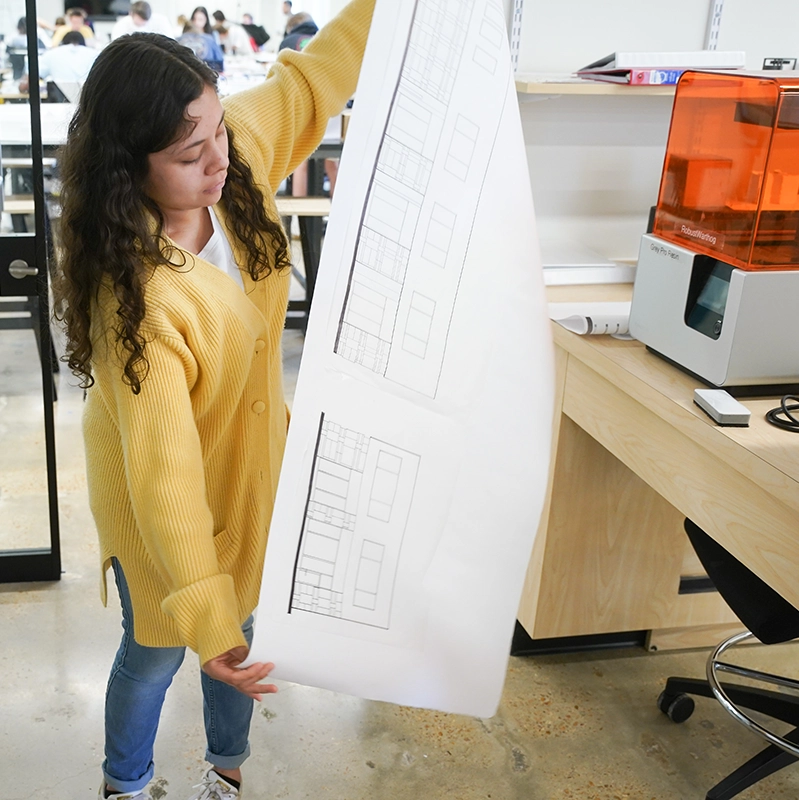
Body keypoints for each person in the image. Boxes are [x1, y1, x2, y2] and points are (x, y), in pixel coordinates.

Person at [52, 0, 373, 797]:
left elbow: (311, 80)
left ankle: (225, 775)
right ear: (132, 169)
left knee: (243, 638)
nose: (218, 158)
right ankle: (125, 784)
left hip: (247, 471)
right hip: (157, 505)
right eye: (190, 152)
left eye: (219, 131)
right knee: (160, 651)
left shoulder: (234, 162)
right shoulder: (138, 299)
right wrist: (203, 606)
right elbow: (165, 478)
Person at [18, 31, 99, 98]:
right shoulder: (95, 54)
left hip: (57, 107)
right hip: (89, 106)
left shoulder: (51, 54)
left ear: (62, 43)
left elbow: (24, 86)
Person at [111, 1, 175, 40]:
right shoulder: (121, 25)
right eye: (140, 20)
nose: (142, 24)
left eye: (145, 21)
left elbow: (171, 42)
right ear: (131, 14)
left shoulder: (161, 21)